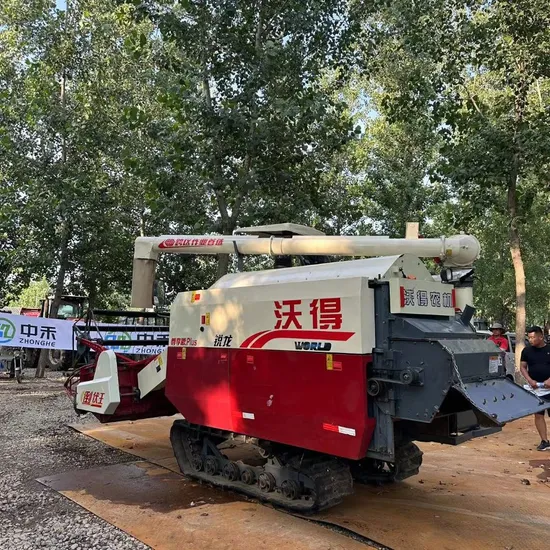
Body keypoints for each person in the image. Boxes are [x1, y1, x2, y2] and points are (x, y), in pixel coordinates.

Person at [520, 326, 550, 451]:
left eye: (533, 337)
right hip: (536, 388)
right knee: (538, 415)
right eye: (529, 337)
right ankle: (544, 441)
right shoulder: (526, 351)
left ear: (541, 337)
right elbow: (522, 367)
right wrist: (530, 380)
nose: (530, 340)